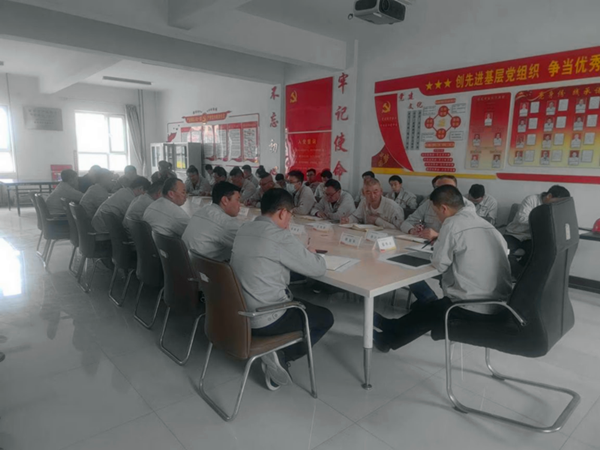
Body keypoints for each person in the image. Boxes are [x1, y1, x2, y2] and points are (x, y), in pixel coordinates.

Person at [373, 185, 512, 352]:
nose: (437, 218)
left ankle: (387, 338)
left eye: (436, 212)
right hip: (501, 304)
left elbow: (439, 264)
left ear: (444, 208)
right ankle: (390, 331)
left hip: (474, 306)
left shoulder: (452, 224)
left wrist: (439, 246)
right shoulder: (487, 225)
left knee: (435, 310)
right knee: (432, 308)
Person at [231, 189, 333, 390]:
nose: (289, 220)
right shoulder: (278, 236)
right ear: (282, 212)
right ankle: (282, 353)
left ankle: (275, 350)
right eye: (290, 215)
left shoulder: (244, 228)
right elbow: (318, 269)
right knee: (325, 317)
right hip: (265, 318)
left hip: (237, 313)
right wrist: (313, 254)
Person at [504, 185, 571, 272]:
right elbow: (522, 218)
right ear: (549, 196)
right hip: (515, 234)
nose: (557, 205)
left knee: (540, 254)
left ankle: (522, 274)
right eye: (556, 201)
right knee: (504, 251)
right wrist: (544, 223)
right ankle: (515, 274)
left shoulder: (556, 207)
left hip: (531, 238)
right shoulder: (531, 200)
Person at [400, 175, 475, 241]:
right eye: (437, 188)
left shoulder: (467, 207)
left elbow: (466, 237)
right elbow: (407, 223)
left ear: (456, 190)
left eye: (447, 188)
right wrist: (412, 230)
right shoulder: (429, 203)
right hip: (425, 245)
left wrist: (437, 236)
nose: (440, 192)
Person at [182, 182, 241, 261]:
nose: (239, 204)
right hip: (204, 267)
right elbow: (248, 243)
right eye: (237, 200)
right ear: (225, 200)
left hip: (185, 263)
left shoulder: (201, 211)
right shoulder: (225, 222)